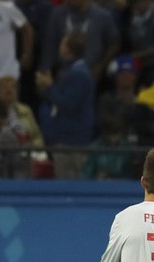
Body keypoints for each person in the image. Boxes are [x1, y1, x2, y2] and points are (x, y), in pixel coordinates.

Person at [36, 31, 95, 180]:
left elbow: (68, 104)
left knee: (71, 181)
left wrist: (49, 87)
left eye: (62, 44)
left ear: (68, 49)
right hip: (66, 137)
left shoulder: (78, 74)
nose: (59, 47)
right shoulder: (71, 71)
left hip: (72, 140)